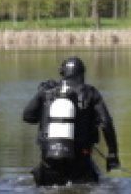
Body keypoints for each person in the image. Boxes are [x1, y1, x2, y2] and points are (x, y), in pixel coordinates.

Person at [22, 56, 120, 186]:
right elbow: (106, 123)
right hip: (80, 158)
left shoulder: (47, 91)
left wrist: (45, 113)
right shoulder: (91, 93)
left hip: (49, 158)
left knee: (47, 191)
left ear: (62, 73)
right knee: (89, 185)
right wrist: (112, 154)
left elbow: (27, 116)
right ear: (82, 74)